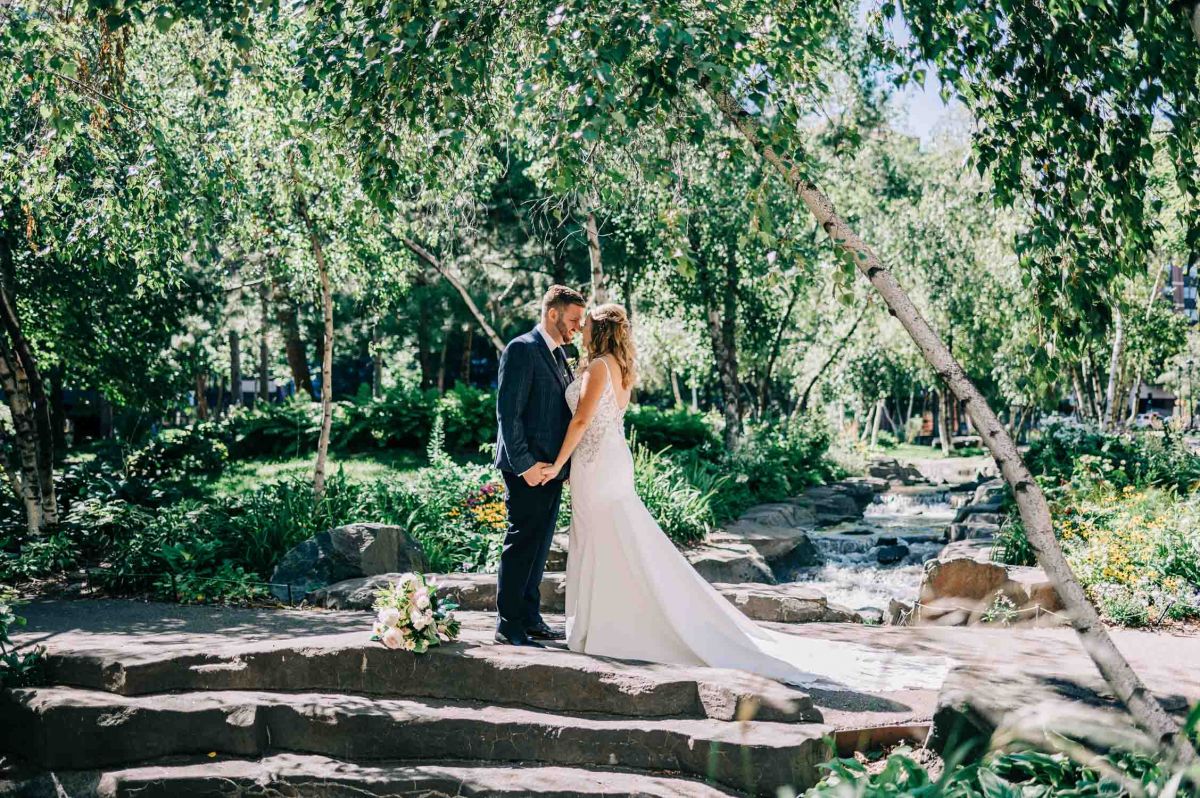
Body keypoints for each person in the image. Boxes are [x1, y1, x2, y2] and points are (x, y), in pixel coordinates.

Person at [538, 303, 949, 691]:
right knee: (612, 542)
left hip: (597, 466)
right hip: (607, 462)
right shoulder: (620, 368)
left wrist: (558, 465)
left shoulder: (596, 368)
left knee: (603, 542)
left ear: (601, 331)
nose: (582, 330)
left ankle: (604, 627)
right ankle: (605, 623)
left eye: (587, 325)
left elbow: (581, 419)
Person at [492, 285, 586, 647]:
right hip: (526, 469)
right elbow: (508, 414)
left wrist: (561, 467)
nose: (577, 327)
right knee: (521, 543)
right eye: (573, 319)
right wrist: (525, 466)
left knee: (539, 544)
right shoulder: (522, 349)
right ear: (552, 313)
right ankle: (508, 624)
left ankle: (530, 618)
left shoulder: (561, 355)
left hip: (551, 470)